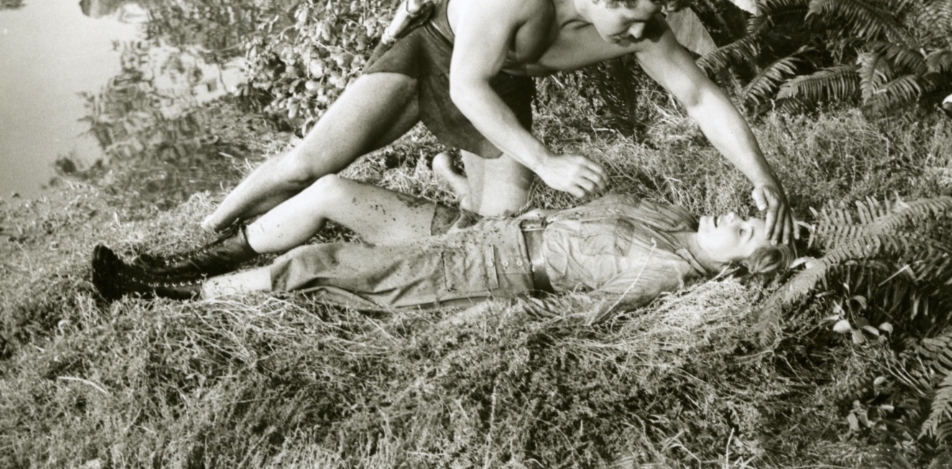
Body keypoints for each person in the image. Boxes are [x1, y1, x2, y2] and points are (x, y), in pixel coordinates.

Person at [199, 0, 795, 261]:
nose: (642, 36)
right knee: (309, 164)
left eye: (647, 24)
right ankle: (211, 227)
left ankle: (455, 181)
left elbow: (700, 98)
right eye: (633, 22)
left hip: (497, 83)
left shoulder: (638, 27)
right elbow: (464, 84)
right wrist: (545, 161)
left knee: (495, 232)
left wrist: (762, 177)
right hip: (434, 52)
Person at [91, 173, 793, 315]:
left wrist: (490, 305)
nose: (734, 213)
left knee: (313, 262)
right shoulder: (672, 216)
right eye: (746, 211)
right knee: (332, 191)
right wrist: (461, 191)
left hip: (488, 268)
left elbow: (579, 306)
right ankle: (176, 262)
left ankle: (157, 292)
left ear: (744, 264)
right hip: (482, 231)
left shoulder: (668, 271)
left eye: (745, 228)